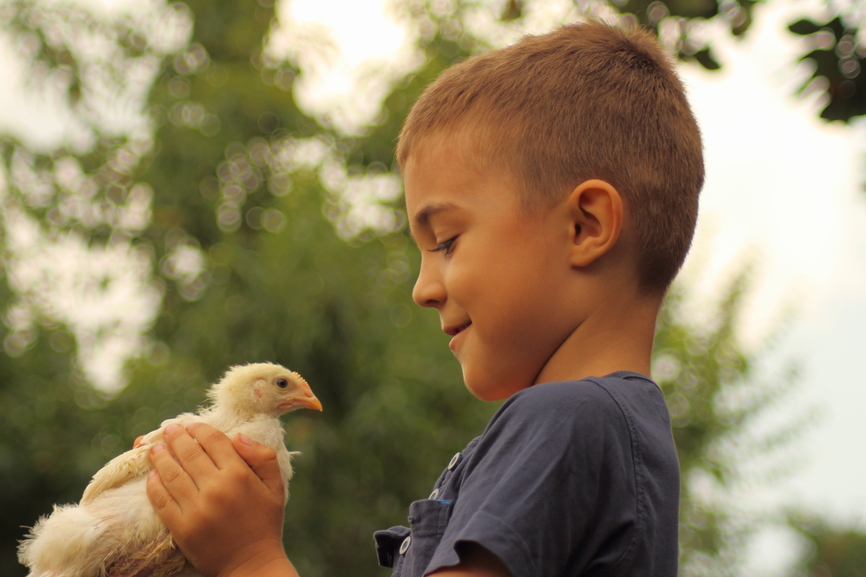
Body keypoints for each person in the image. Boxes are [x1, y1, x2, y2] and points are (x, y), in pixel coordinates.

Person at [145, 19, 703, 577]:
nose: (421, 289)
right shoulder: (621, 438)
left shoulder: (563, 422)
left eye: (446, 242)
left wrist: (248, 559)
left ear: (584, 226)